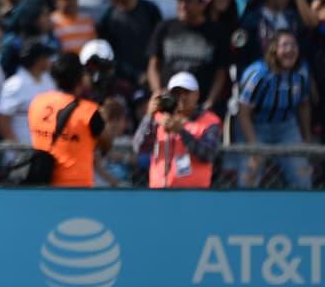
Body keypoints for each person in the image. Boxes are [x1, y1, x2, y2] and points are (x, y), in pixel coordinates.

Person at [235, 30, 315, 189]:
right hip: (256, 127)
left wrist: (306, 139)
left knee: (302, 178)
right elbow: (243, 113)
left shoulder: (302, 72)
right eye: (285, 45)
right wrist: (254, 148)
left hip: (287, 128)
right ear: (273, 49)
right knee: (248, 178)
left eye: (294, 45)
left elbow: (304, 105)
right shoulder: (258, 74)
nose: (290, 49)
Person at [27, 53, 112, 187]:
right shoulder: (88, 112)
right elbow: (106, 144)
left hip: (40, 185)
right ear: (80, 78)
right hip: (76, 190)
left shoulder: (37, 102)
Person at [132, 71, 222, 188]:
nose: (182, 97)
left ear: (197, 95)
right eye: (177, 93)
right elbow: (139, 147)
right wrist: (149, 117)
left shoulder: (210, 121)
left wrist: (182, 132)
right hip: (158, 192)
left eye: (187, 92)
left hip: (194, 194)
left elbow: (208, 155)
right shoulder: (158, 117)